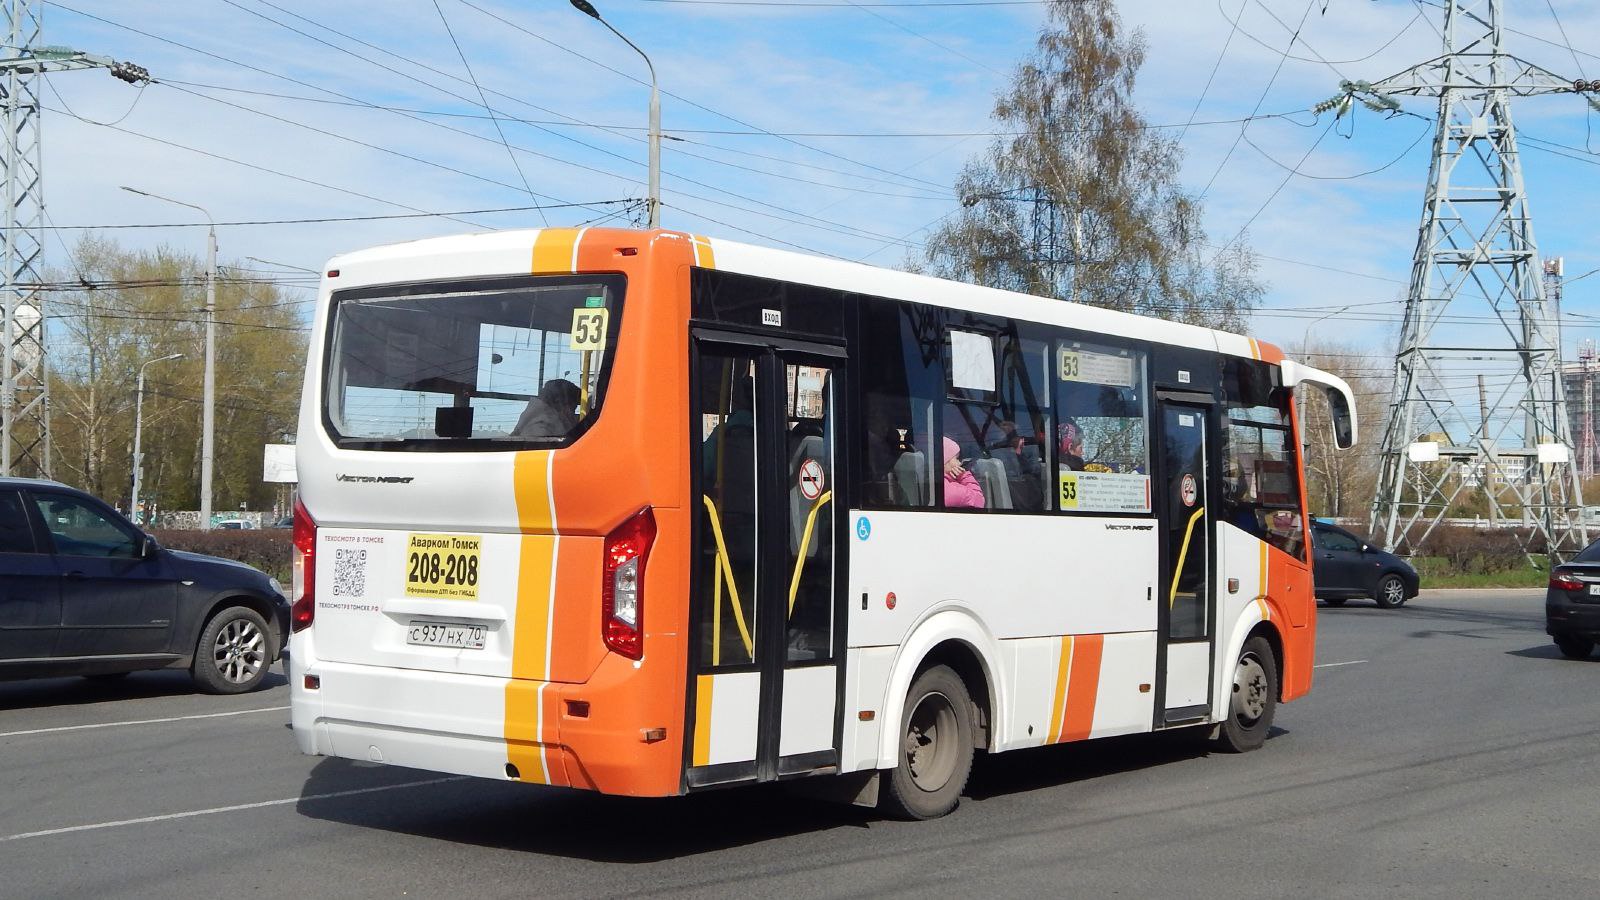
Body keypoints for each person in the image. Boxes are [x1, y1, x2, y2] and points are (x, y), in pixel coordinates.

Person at [513, 379, 580, 438]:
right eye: (573, 408)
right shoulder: (541, 427)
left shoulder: (542, 419)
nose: (572, 413)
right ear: (559, 402)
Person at [942, 436, 985, 508]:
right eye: (957, 458)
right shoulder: (952, 491)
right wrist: (964, 476)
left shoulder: (932, 486)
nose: (959, 463)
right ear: (945, 461)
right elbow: (979, 501)